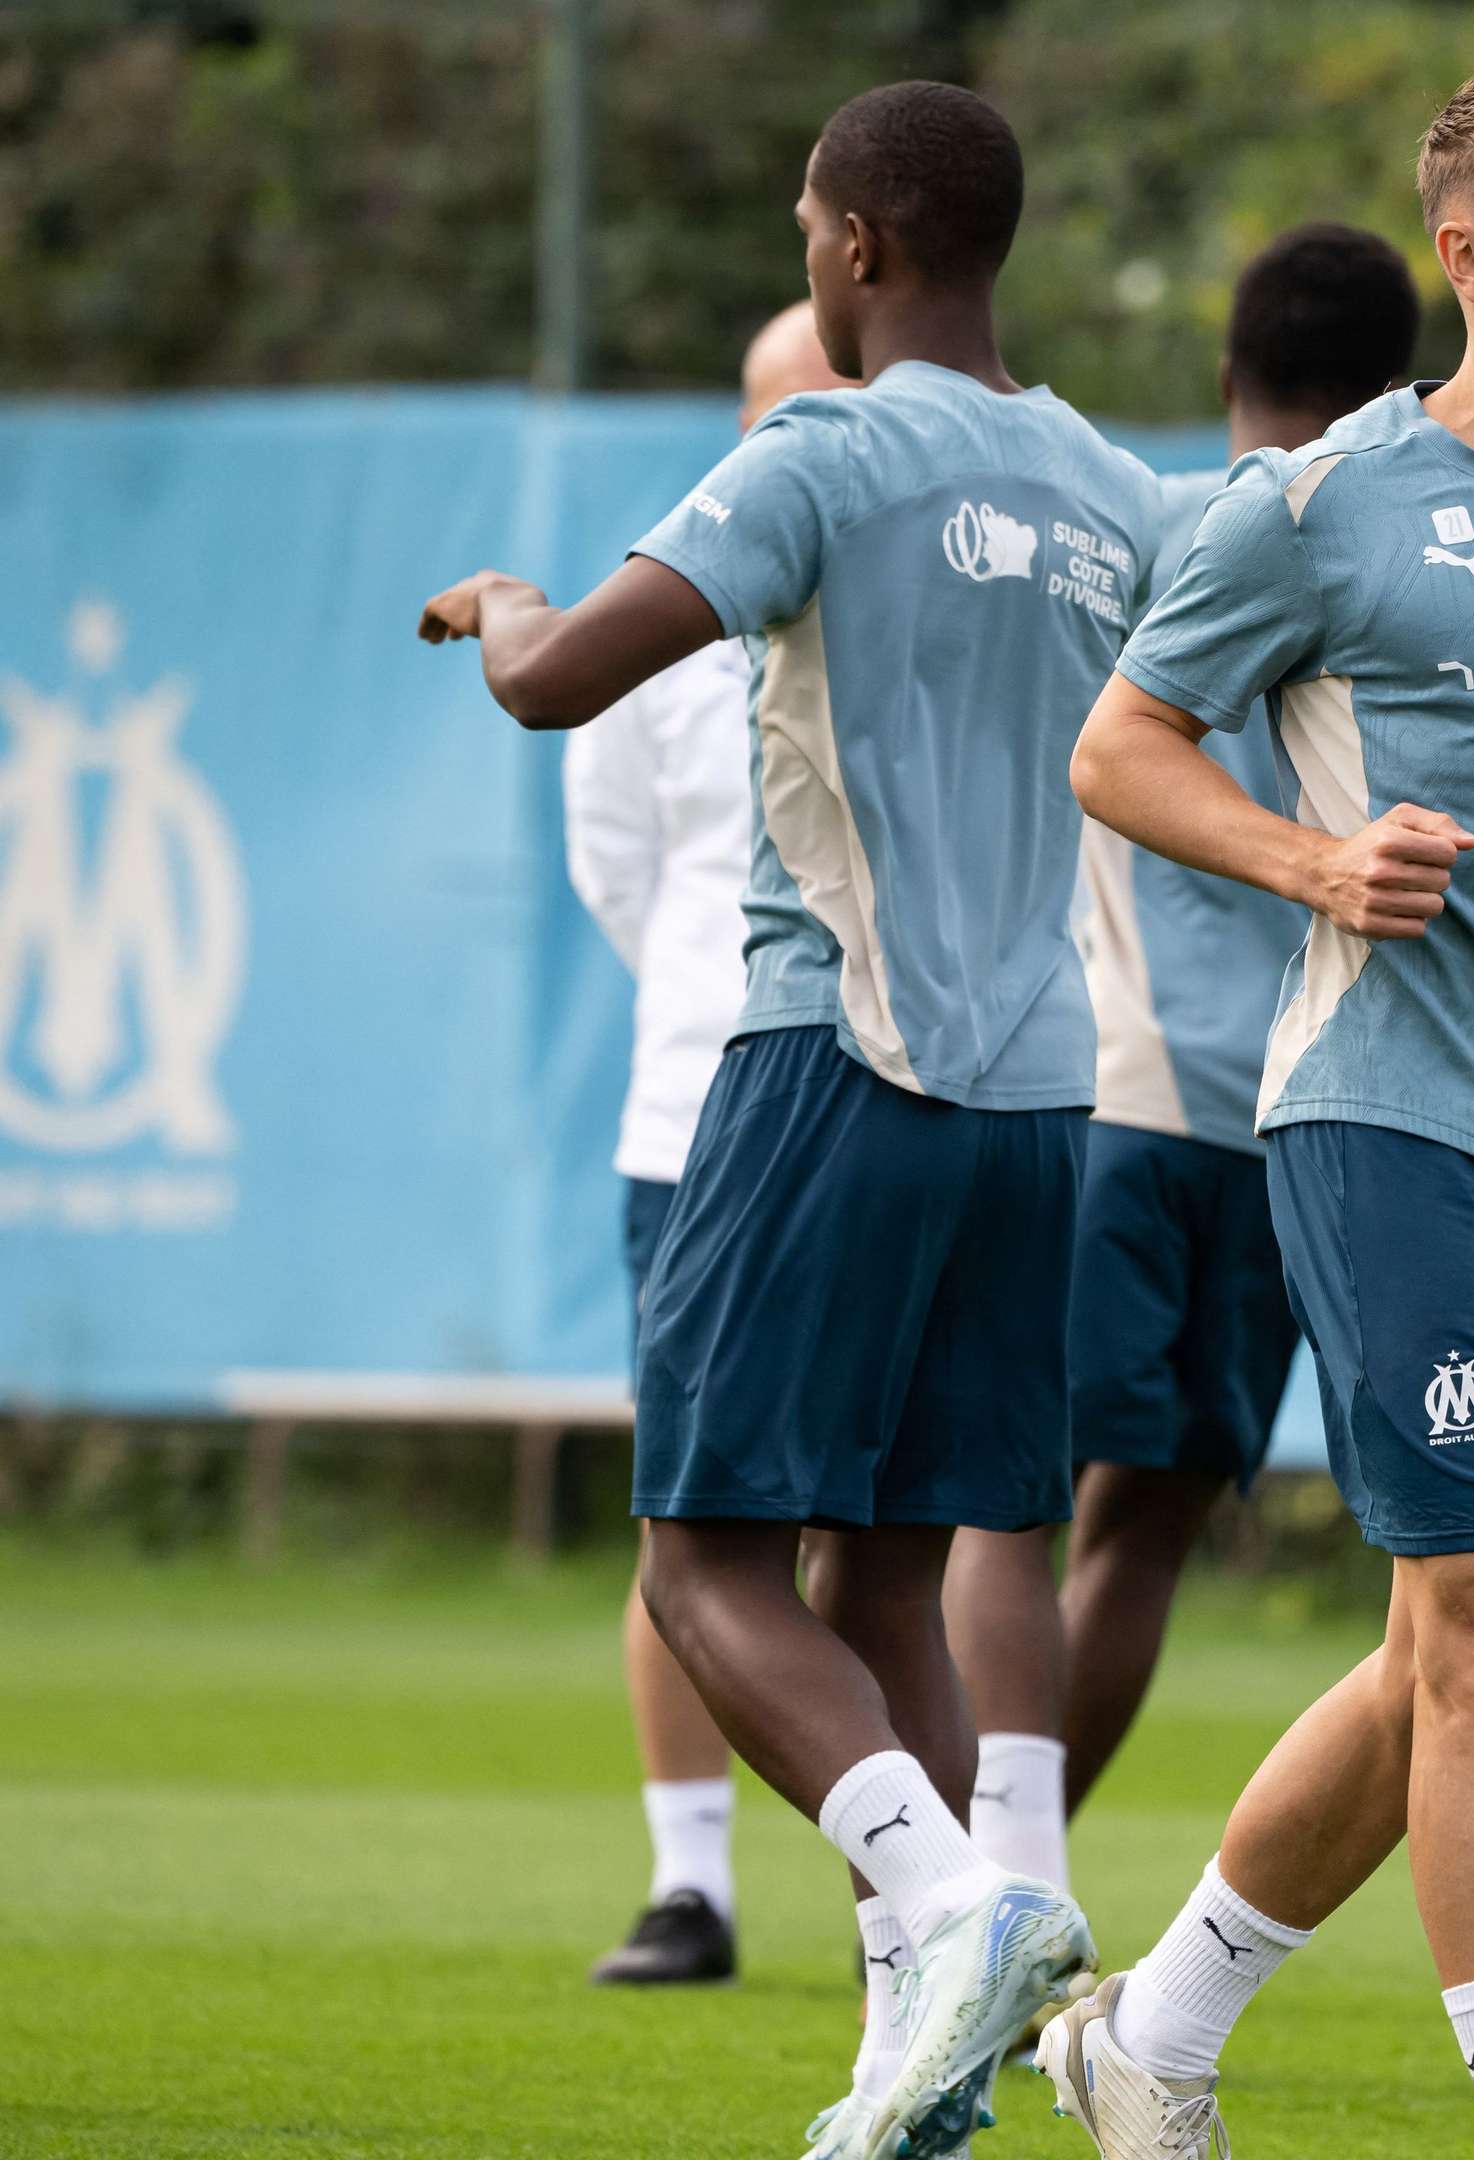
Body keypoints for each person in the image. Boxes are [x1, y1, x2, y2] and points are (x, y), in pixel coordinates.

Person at [417, 79, 1161, 2160]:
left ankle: (957, 1905)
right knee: (893, 1582)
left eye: (808, 234)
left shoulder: (819, 449)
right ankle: (909, 2064)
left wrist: (497, 608)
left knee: (703, 1565)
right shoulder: (1114, 487)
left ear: (856, 246)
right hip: (1038, 1103)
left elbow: (564, 682)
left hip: (832, 1061)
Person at [1030, 69, 1474, 2160]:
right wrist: (1308, 863)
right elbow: (1119, 749)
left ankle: (1149, 2033)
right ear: (1473, 255)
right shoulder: (1319, 505)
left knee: (1448, 1645)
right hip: (1378, 1113)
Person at [940, 222, 1424, 1893]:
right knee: (1137, 1542)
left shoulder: (1173, 525)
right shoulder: (1423, 561)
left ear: (1230, 378)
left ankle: (978, 1906)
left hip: (1121, 1098)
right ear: (1408, 384)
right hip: (1296, 1119)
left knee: (1009, 1509)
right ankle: (1012, 1893)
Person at [564, 298, 853, 1988]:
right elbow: (622, 869)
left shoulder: (937, 591)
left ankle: (917, 1894)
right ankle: (692, 1887)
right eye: (783, 416)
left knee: (890, 1521)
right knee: (694, 1519)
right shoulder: (661, 612)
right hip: (696, 1115)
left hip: (891, 1102)